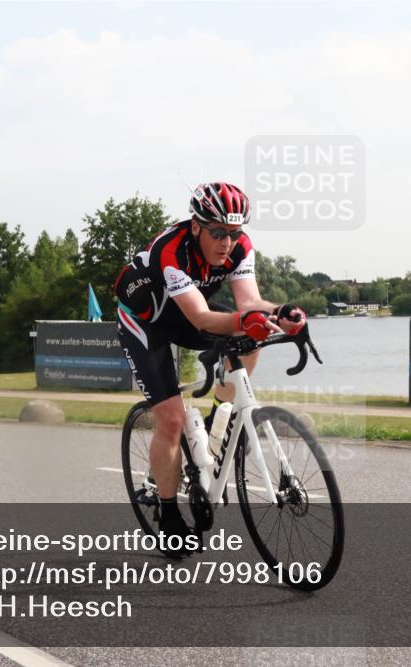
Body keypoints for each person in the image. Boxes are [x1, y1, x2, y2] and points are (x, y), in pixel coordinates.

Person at [114, 182, 306, 556]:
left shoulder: (240, 247)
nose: (227, 243)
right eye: (218, 233)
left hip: (186, 314)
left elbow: (249, 302)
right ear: (196, 226)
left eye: (234, 233)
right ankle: (169, 514)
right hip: (146, 324)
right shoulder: (171, 251)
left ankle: (220, 421)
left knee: (251, 338)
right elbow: (202, 318)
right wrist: (247, 319)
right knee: (171, 419)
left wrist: (283, 313)